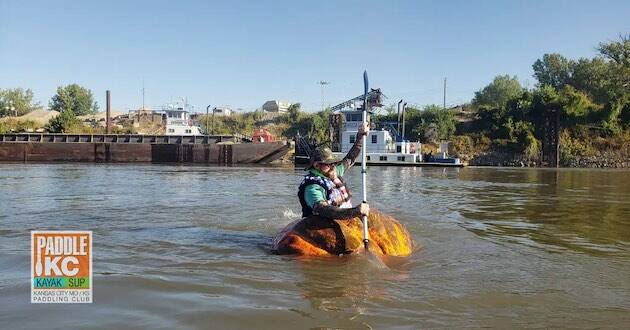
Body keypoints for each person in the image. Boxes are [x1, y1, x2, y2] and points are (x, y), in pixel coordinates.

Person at [297, 121, 370, 220]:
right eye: (329, 164)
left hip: (344, 217)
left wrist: (360, 136)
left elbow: (350, 158)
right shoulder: (312, 187)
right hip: (320, 226)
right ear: (317, 165)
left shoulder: (332, 172)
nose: (333, 166)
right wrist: (354, 212)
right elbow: (323, 209)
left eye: (333, 163)